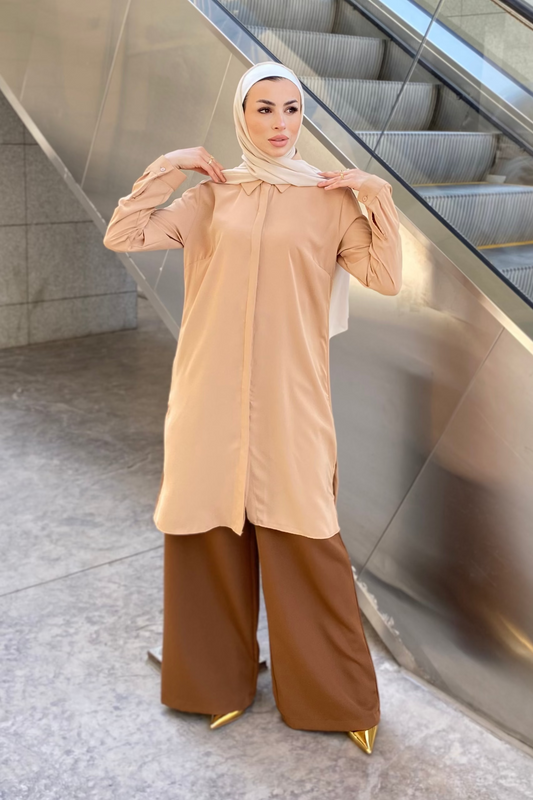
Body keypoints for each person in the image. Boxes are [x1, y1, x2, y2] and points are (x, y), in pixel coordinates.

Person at [103, 62, 402, 755]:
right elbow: (125, 234)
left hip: (292, 396)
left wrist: (376, 199)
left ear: (304, 118)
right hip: (207, 391)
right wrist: (169, 166)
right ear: (242, 114)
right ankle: (212, 682)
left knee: (304, 532)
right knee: (206, 529)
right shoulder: (212, 196)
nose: (277, 125)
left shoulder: (329, 201)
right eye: (263, 109)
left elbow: (385, 277)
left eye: (291, 110)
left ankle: (335, 697)